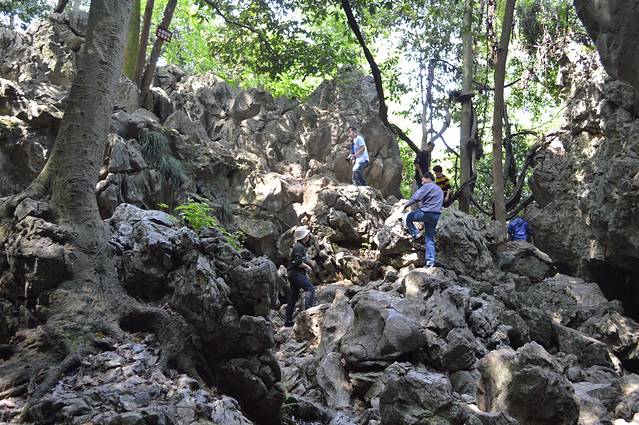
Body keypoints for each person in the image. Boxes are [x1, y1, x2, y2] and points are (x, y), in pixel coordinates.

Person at [403, 172, 444, 267]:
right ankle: (430, 262)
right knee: (429, 238)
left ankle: (415, 234)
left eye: (423, 180)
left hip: (426, 213)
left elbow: (416, 197)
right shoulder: (439, 190)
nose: (422, 182)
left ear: (429, 178)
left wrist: (405, 205)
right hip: (436, 216)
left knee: (407, 217)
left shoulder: (428, 186)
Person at [284, 225, 316, 327]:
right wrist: (308, 267)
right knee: (310, 289)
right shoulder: (299, 246)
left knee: (293, 298)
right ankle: (308, 313)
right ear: (303, 236)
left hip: (292, 274)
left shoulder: (299, 246)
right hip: (296, 274)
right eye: (307, 235)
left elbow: (303, 258)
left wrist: (310, 262)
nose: (308, 236)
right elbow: (298, 262)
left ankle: (288, 321)